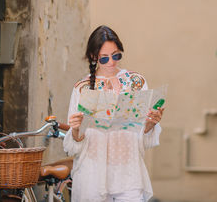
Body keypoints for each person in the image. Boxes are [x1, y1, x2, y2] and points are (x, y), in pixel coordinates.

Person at [63, 25, 164, 202]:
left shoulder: (136, 82)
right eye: (104, 58)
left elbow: (142, 135)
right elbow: (73, 144)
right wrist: (76, 130)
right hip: (92, 174)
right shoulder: (83, 87)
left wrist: (150, 124)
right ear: (94, 57)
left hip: (128, 173)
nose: (111, 62)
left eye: (116, 55)